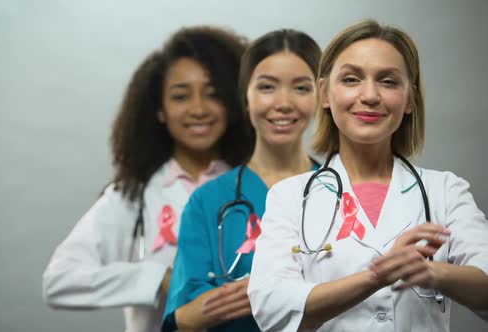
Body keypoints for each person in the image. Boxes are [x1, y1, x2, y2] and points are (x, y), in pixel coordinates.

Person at [248, 19, 488, 332]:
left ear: (410, 100)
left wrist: (433, 273)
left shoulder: (445, 191)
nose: (370, 95)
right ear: (324, 93)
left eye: (388, 81)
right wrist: (376, 276)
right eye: (351, 80)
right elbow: (272, 306)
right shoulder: (289, 197)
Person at [42, 26, 252, 332]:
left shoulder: (256, 185)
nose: (198, 109)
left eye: (213, 94)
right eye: (181, 96)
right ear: (160, 111)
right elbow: (58, 282)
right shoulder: (131, 198)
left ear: (233, 104)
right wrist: (156, 278)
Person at [162, 29, 322, 332]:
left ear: (321, 96)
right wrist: (257, 295)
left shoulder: (340, 194)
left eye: (301, 88)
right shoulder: (207, 201)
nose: (283, 102)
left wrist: (271, 293)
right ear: (246, 98)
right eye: (267, 87)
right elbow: (182, 318)